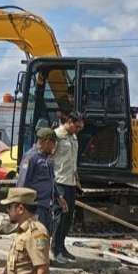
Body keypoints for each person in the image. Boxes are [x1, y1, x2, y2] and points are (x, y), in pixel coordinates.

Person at [52, 112, 85, 263]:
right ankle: (55, 249)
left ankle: (62, 247)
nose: (78, 130)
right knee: (60, 217)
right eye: (77, 126)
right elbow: (50, 159)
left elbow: (73, 161)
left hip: (71, 182)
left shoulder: (73, 137)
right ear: (70, 122)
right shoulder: (57, 136)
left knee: (68, 217)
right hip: (59, 182)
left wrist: (77, 179)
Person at [16, 127, 61, 235]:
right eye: (53, 144)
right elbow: (22, 182)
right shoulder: (31, 157)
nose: (54, 147)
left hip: (46, 206)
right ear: (46, 142)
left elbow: (51, 181)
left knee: (44, 235)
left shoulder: (47, 159)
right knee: (35, 236)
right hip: (35, 206)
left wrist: (58, 197)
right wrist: (22, 207)